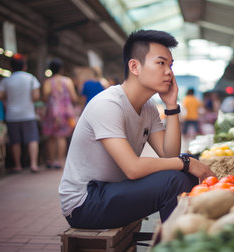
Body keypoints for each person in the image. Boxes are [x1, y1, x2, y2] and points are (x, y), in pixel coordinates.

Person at [59, 29, 215, 229]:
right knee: (175, 180)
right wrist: (185, 162)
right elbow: (132, 169)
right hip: (84, 203)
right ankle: (173, 242)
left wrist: (171, 106)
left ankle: (184, 236)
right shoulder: (108, 104)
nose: (169, 71)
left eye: (170, 65)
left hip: (113, 189)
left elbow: (169, 155)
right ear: (135, 66)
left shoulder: (148, 107)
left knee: (186, 173)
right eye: (161, 63)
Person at [0, 54, 41, 173]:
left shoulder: (6, 80)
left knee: (15, 141)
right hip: (28, 114)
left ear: (11, 68)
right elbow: (36, 97)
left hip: (12, 115)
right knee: (32, 139)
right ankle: (33, 164)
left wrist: (9, 96)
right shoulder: (31, 78)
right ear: (24, 67)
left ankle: (17, 165)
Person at [42, 58, 80, 169]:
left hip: (52, 112)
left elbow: (44, 98)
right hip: (65, 113)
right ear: (61, 69)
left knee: (51, 137)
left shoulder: (48, 82)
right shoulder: (67, 81)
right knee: (61, 137)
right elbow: (74, 97)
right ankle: (59, 161)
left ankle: (51, 160)